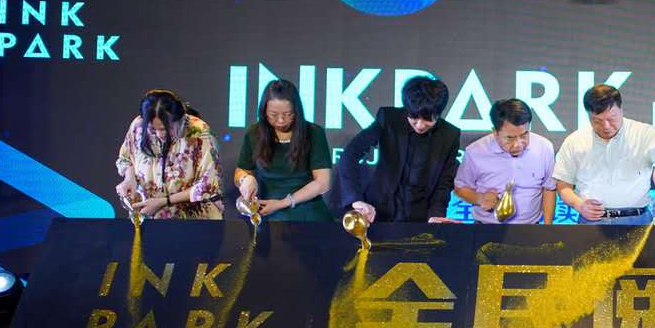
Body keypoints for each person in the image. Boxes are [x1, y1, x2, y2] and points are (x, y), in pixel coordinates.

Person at [338, 75, 460, 226]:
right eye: (414, 117)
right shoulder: (389, 119)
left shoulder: (449, 135)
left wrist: (436, 215)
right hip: (377, 213)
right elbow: (350, 155)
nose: (420, 125)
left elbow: (444, 182)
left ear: (439, 113)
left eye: (428, 119)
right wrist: (356, 200)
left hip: (421, 218)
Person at [553, 84, 655, 225]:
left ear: (621, 109)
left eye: (611, 118)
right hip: (592, 221)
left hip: (637, 220)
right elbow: (563, 185)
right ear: (588, 115)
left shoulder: (643, 133)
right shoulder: (575, 141)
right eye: (597, 121)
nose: (606, 126)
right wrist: (579, 204)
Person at [231, 79, 333, 221]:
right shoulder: (254, 133)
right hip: (266, 211)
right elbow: (241, 171)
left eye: (288, 114)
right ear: (264, 111)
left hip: (307, 212)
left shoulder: (314, 133)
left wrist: (283, 203)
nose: (280, 120)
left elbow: (323, 182)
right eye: (273, 115)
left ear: (297, 111)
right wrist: (246, 179)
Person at [115, 88, 223, 219]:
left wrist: (164, 202)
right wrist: (129, 179)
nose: (160, 135)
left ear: (180, 119)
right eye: (152, 130)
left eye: (165, 128)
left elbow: (208, 184)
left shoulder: (199, 132)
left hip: (192, 219)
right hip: (147, 215)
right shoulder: (138, 125)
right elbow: (126, 158)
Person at [452, 98, 557, 224]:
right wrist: (480, 198)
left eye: (524, 135)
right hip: (486, 226)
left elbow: (549, 188)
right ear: (495, 132)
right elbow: (460, 188)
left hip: (530, 227)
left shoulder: (544, 148)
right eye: (510, 138)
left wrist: (548, 227)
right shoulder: (475, 152)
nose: (518, 144)